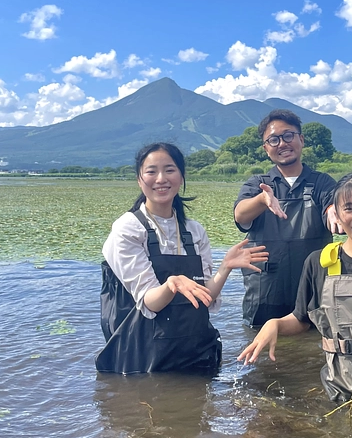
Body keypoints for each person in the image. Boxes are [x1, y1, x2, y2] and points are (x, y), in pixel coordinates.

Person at [238, 172, 352, 403]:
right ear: (337, 215)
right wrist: (275, 324)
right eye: (349, 208)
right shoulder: (319, 262)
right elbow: (302, 319)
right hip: (334, 387)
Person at [96, 142, 268, 375]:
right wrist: (172, 284)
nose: (161, 178)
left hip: (193, 353)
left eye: (169, 169)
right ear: (139, 179)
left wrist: (225, 266)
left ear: (181, 176)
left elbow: (205, 297)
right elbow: (150, 302)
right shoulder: (128, 229)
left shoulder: (193, 231)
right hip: (142, 357)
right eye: (151, 171)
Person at [234, 109, 340, 327]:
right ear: (266, 148)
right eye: (273, 139)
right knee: (260, 351)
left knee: (314, 346)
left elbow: (333, 206)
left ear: (301, 139)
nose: (282, 143)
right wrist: (262, 200)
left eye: (288, 135)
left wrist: (333, 210)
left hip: (312, 287)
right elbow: (240, 214)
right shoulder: (257, 184)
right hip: (265, 290)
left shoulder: (322, 182)